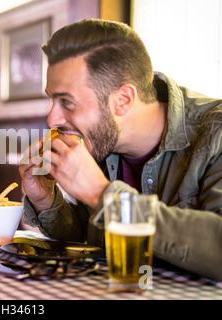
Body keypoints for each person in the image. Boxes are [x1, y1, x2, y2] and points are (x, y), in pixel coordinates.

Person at [19, 19, 222, 280]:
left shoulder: (215, 133)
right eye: (52, 99)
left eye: (67, 102)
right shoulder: (103, 142)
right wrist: (46, 201)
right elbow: (90, 241)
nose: (52, 119)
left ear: (123, 100)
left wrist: (102, 194)